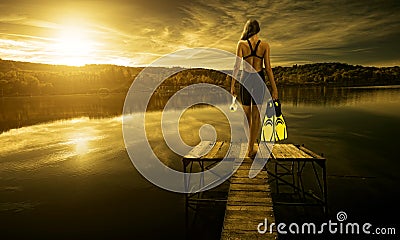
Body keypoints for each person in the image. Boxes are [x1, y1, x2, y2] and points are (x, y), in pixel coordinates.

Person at [229, 19, 278, 158]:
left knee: (246, 116)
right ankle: (251, 146)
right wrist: (274, 89)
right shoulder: (265, 45)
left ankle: (249, 146)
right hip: (259, 79)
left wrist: (232, 85)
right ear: (258, 30)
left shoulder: (242, 44)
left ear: (247, 29)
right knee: (256, 116)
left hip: (245, 79)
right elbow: (268, 68)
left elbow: (236, 67)